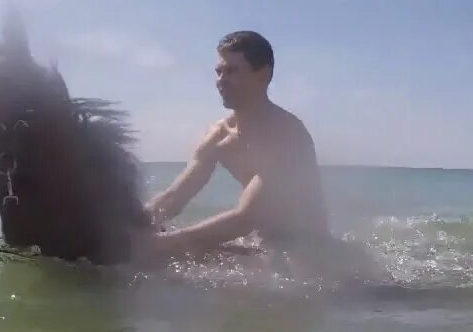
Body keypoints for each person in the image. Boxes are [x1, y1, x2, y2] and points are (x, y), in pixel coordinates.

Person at [133, 30, 332, 265]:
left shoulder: (286, 134)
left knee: (173, 250)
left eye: (232, 71)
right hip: (263, 245)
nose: (221, 80)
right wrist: (132, 226)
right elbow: (175, 196)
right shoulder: (218, 136)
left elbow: (246, 218)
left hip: (308, 253)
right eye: (219, 71)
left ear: (263, 75)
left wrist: (163, 244)